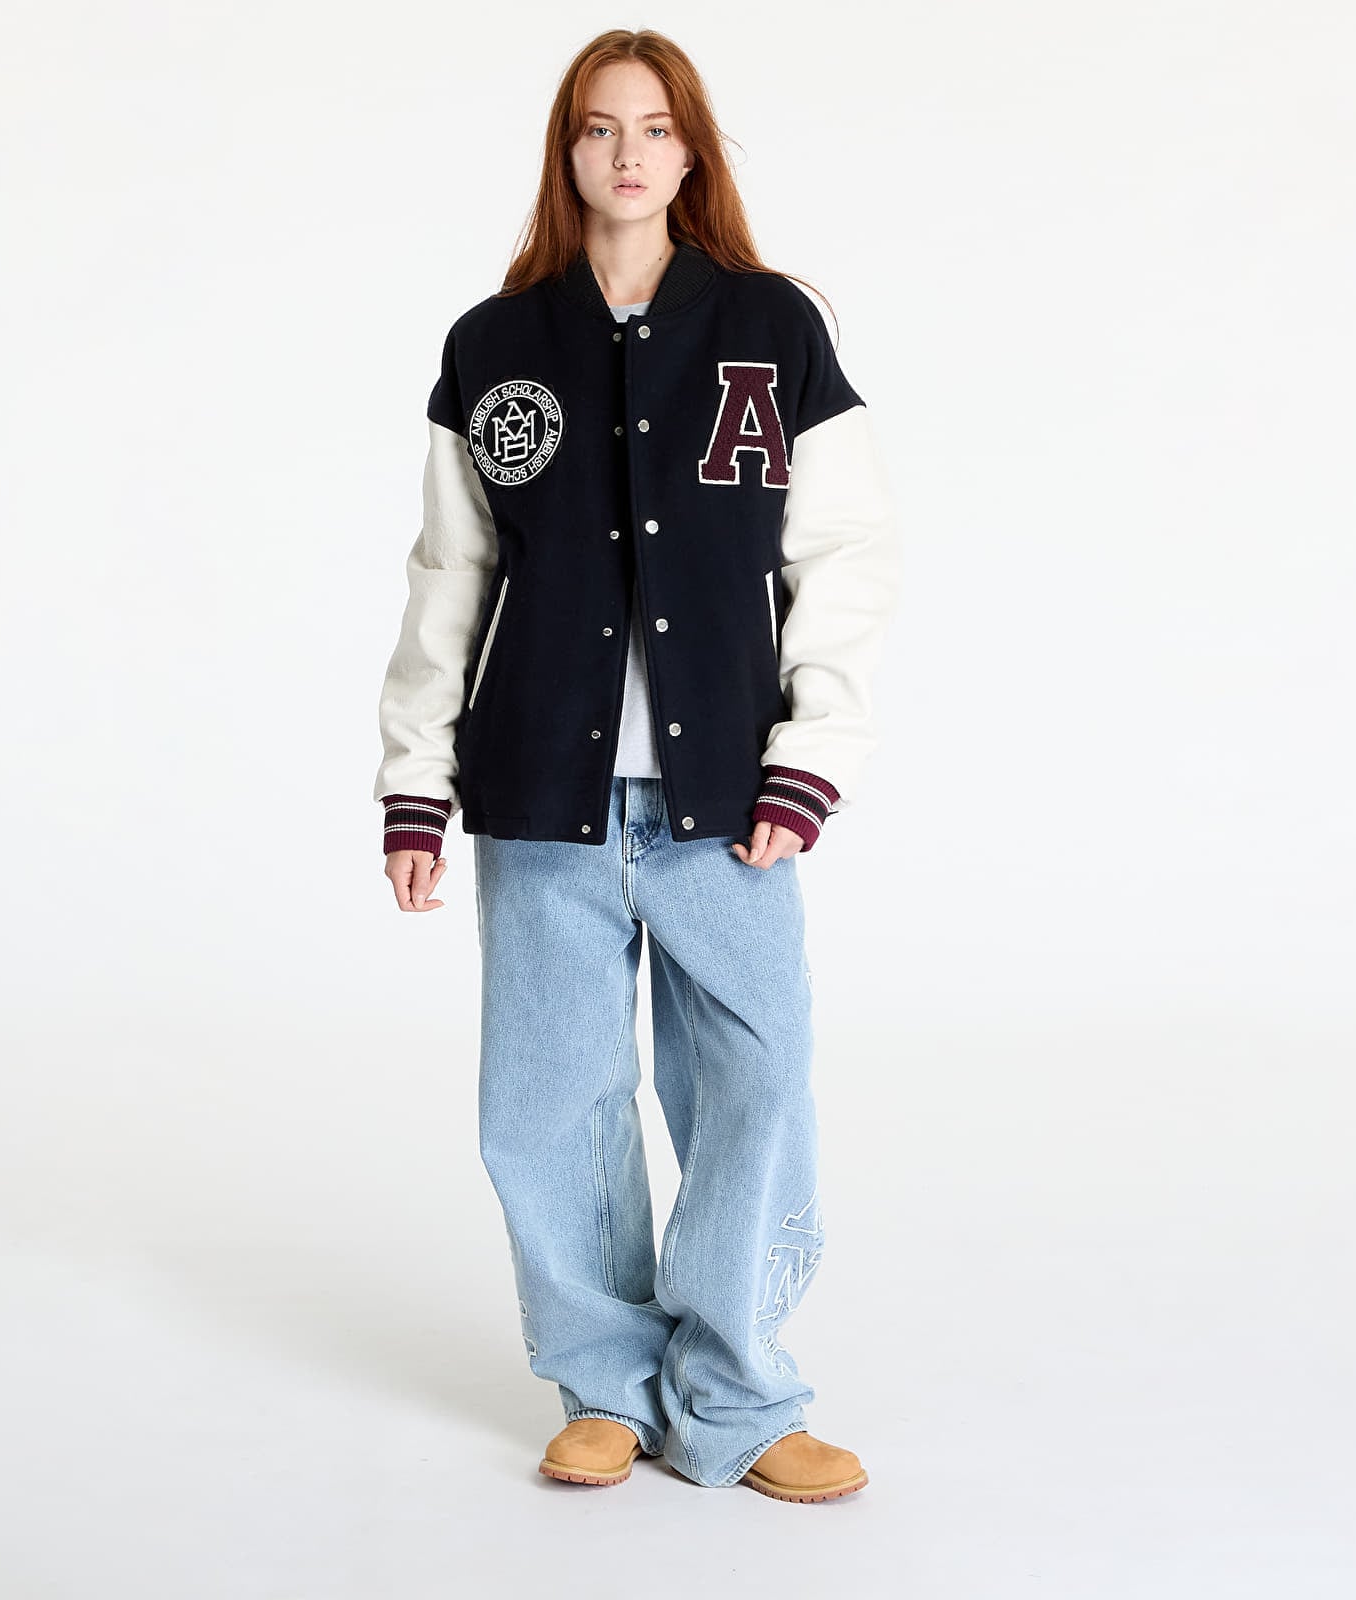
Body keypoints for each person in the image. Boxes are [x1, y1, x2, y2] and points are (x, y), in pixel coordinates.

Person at [372, 28, 900, 1502]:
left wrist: (812, 754)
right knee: (552, 1100)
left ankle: (734, 1394)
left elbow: (845, 554)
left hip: (726, 797)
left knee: (755, 1081)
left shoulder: (772, 327)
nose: (627, 152)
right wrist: (414, 782)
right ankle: (604, 1384)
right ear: (568, 150)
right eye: (601, 127)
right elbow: (449, 575)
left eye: (655, 127)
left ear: (691, 152)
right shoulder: (494, 347)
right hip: (541, 792)